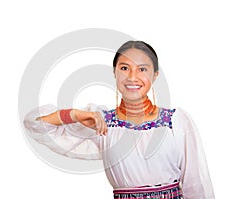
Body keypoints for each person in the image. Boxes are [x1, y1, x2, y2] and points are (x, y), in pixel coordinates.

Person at [23, 41, 215, 198]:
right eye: (124, 68)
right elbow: (37, 125)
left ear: (155, 75)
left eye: (142, 69)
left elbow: (197, 183)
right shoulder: (102, 122)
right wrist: (74, 114)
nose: (132, 77)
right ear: (114, 73)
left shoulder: (175, 121)